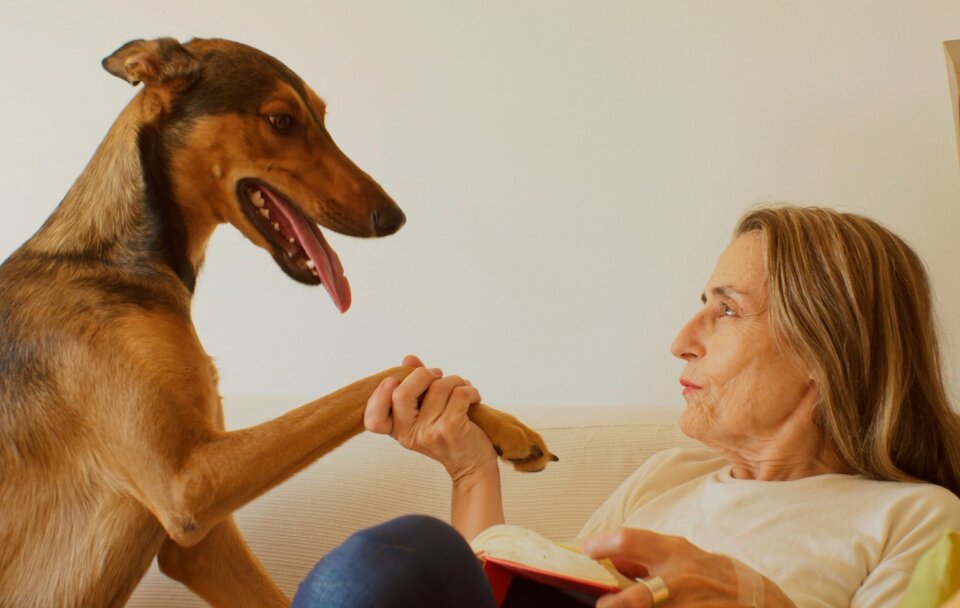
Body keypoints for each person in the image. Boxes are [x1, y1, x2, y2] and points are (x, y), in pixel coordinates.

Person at [292, 205, 960, 607]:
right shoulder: (666, 478)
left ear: (826, 347)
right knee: (403, 559)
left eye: (725, 310)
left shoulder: (913, 517)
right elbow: (513, 593)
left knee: (395, 561)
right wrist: (472, 472)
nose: (680, 342)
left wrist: (759, 601)